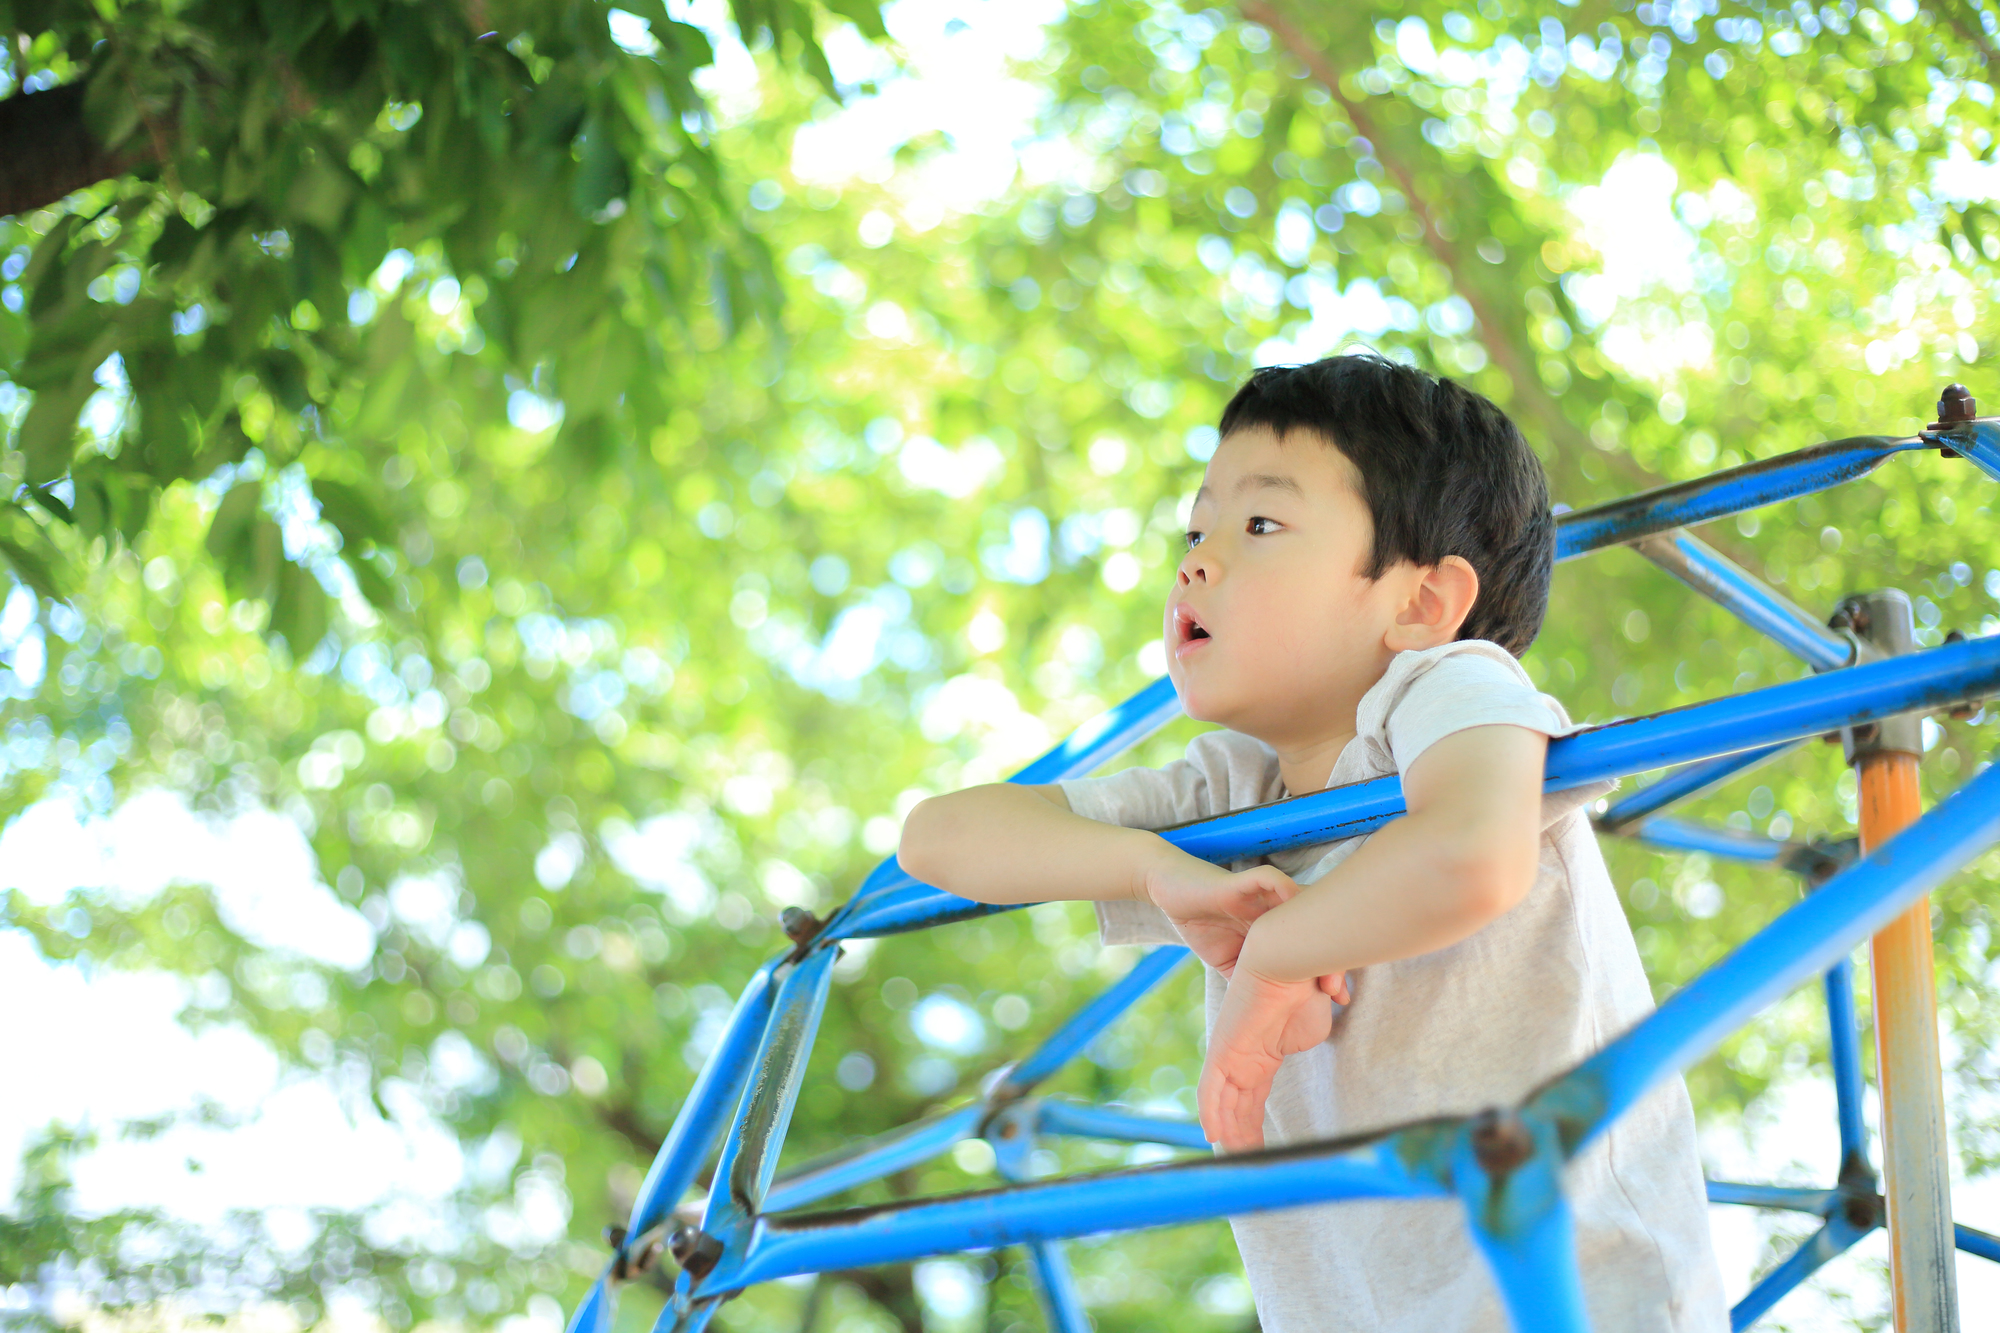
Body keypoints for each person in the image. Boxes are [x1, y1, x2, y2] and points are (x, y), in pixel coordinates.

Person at [897, 355, 1726, 1331]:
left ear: (1418, 605)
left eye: (1258, 524)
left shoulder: (1448, 689)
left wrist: (1278, 957)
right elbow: (937, 836)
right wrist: (1153, 867)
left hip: (1578, 1294)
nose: (1196, 559)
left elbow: (1471, 849)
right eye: (1194, 527)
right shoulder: (1232, 791)